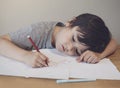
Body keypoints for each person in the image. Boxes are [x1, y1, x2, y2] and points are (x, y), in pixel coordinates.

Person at [0, 13, 117, 68]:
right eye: (73, 39)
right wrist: (25, 56)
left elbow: (113, 42)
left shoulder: (85, 36)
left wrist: (100, 55)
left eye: (77, 51)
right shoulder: (39, 31)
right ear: (70, 22)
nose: (70, 48)